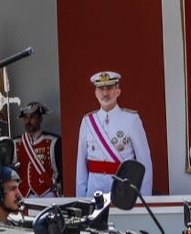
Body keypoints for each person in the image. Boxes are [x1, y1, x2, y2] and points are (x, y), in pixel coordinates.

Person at [75, 70, 152, 198]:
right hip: (94, 192)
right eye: (101, 89)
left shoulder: (131, 119)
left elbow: (144, 162)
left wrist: (144, 198)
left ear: (118, 92)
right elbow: (81, 164)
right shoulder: (87, 122)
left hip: (123, 191)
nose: (105, 93)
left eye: (109, 88)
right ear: (96, 93)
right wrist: (81, 198)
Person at [14, 100, 62, 198]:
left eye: (32, 117)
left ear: (40, 119)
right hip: (23, 195)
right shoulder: (15, 143)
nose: (28, 121)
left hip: (47, 194)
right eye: (25, 117)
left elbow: (60, 172)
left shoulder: (53, 141)